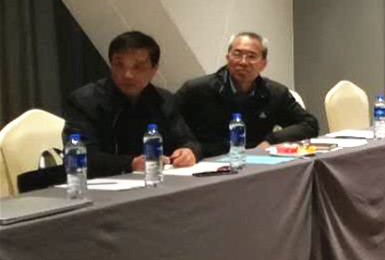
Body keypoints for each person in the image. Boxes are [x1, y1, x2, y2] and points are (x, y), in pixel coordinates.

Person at [63, 31, 200, 176]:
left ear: (154, 69)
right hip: (102, 183)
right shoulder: (84, 101)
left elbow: (188, 141)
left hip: (158, 180)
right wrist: (130, 163)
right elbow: (79, 154)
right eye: (119, 65)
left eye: (138, 67)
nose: (127, 74)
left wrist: (189, 152)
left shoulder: (164, 100)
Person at [176, 32, 319, 157]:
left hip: (256, 162)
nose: (243, 62)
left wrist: (271, 140)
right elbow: (170, 127)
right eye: (237, 54)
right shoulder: (196, 90)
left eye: (251, 56)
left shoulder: (275, 93)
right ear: (228, 58)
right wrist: (190, 150)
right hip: (205, 162)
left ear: (263, 64)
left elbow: (309, 124)